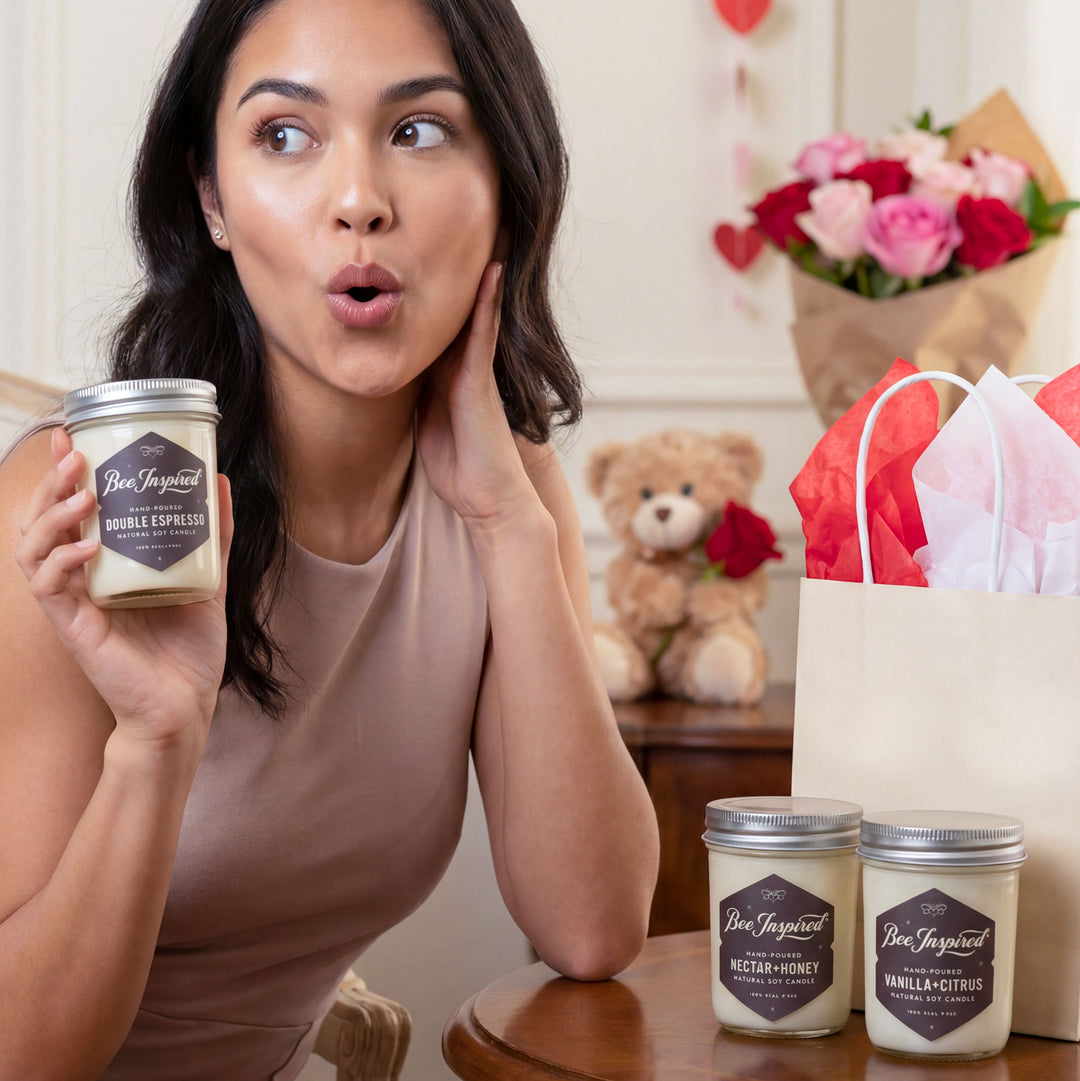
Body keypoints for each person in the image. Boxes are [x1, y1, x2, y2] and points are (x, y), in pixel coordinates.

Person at [0, 0, 661, 1078]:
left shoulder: (506, 497)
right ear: (209, 197)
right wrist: (154, 744)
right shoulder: (83, 502)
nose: (359, 202)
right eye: (285, 137)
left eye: (418, 130)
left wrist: (507, 524)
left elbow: (591, 926)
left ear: (507, 184)